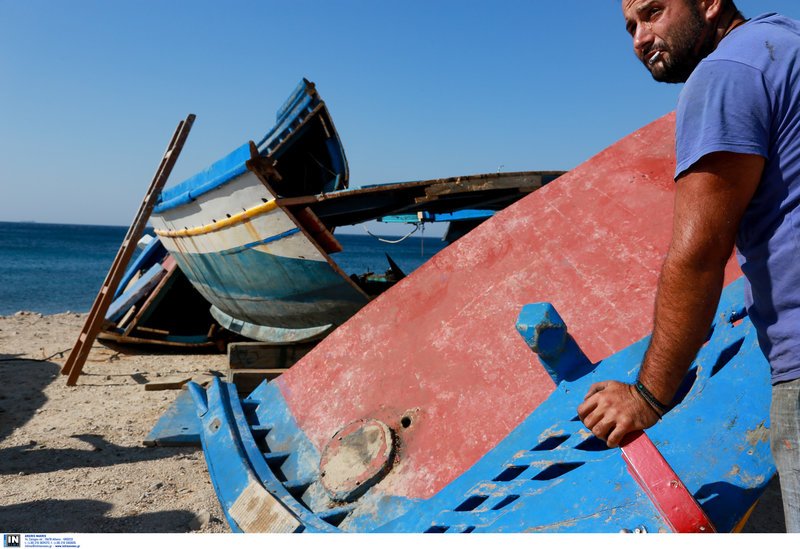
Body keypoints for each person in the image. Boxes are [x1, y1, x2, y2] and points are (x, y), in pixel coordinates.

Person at [577, 0, 800, 532]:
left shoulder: (724, 73)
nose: (638, 38)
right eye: (630, 26)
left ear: (709, 3)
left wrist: (648, 395)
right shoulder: (787, 44)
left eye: (654, 12)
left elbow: (699, 254)